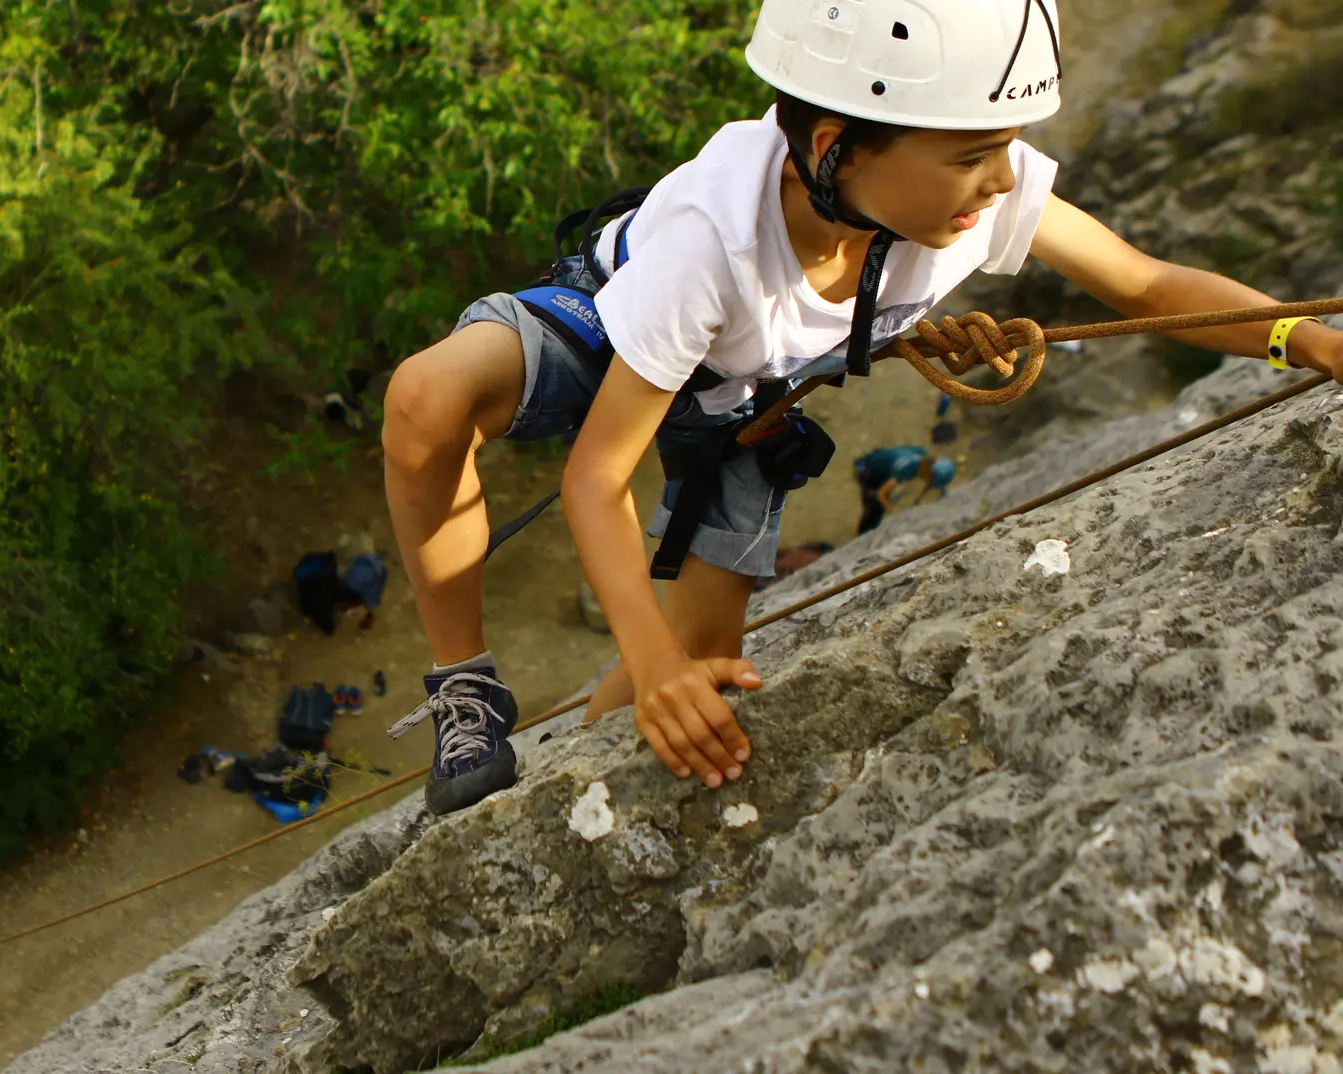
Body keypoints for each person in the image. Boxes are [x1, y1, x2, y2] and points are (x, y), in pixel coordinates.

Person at [381, 0, 1343, 811]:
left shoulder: (971, 196)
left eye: (1004, 148)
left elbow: (1144, 284)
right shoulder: (709, 243)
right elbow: (597, 475)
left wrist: (1304, 340)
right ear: (837, 147)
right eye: (974, 154)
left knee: (690, 671)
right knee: (429, 396)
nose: (1004, 180)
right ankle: (467, 688)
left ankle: (571, 780)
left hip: (747, 400)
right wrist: (645, 645)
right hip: (618, 329)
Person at [854, 445, 955, 533]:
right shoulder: (905, 469)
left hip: (881, 459)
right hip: (867, 470)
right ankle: (864, 532)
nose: (928, 483)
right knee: (874, 508)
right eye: (930, 481)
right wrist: (894, 512)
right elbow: (881, 494)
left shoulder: (922, 455)